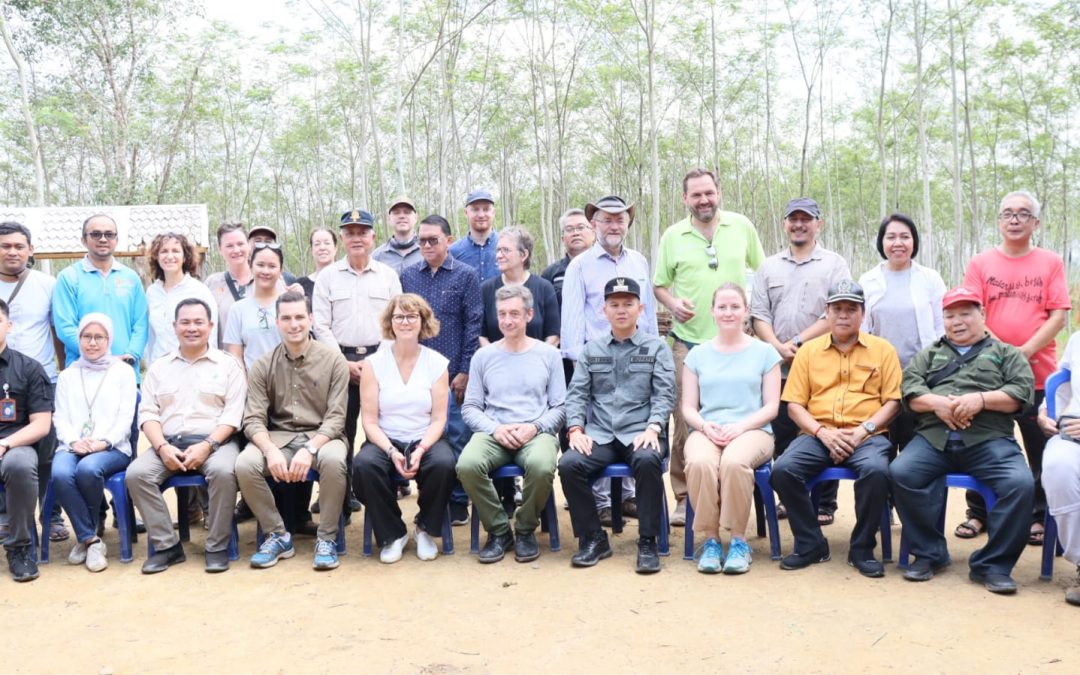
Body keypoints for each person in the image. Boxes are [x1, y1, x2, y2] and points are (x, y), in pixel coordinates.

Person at [891, 287, 1035, 594]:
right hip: (934, 439)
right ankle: (929, 553)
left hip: (989, 440)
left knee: (1020, 484)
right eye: (950, 315)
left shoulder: (1006, 353)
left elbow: (1020, 394)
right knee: (901, 473)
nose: (957, 321)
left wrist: (980, 400)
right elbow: (909, 391)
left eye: (965, 313)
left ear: (982, 315)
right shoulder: (929, 354)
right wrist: (937, 404)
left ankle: (993, 565)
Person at [654, 168, 766, 526]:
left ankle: (748, 493)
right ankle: (684, 497)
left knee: (744, 415)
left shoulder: (741, 227)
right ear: (685, 199)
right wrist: (672, 304)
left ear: (719, 192)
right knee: (684, 422)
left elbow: (763, 274)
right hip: (688, 344)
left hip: (737, 344)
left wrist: (755, 321)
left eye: (709, 193)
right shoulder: (673, 235)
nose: (704, 200)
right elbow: (659, 285)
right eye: (696, 195)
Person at [957, 190, 1070, 546]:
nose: (1015, 219)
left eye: (1023, 214)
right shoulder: (980, 262)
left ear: (1036, 222)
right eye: (1008, 213)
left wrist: (1025, 351)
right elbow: (972, 312)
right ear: (999, 221)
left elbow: (1058, 315)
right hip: (987, 372)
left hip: (1038, 373)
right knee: (981, 442)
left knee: (1040, 446)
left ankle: (1038, 515)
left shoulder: (1050, 262)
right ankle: (979, 512)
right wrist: (1005, 353)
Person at [770, 280, 901, 577]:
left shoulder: (883, 350)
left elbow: (893, 402)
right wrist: (822, 433)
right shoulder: (808, 352)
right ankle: (811, 543)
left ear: (863, 314)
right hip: (818, 433)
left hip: (867, 435)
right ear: (826, 313)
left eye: (851, 309)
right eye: (837, 308)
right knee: (784, 470)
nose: (843, 315)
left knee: (877, 472)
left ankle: (862, 548)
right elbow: (794, 405)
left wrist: (862, 430)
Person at [559, 278, 675, 573]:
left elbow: (664, 394)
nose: (621, 310)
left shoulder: (656, 348)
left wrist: (654, 427)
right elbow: (577, 394)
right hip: (601, 434)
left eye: (628, 304)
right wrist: (576, 429)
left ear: (641, 308)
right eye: (614, 304)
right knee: (570, 464)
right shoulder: (591, 350)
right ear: (604, 310)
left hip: (642, 431)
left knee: (647, 460)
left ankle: (647, 541)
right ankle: (594, 537)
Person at [127, 298, 247, 574]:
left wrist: (207, 445)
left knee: (223, 472)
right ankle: (167, 547)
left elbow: (233, 415)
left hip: (217, 443)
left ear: (210, 326)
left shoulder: (228, 365)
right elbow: (148, 414)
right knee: (137, 474)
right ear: (174, 326)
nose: (192, 328)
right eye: (185, 322)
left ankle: (216, 546)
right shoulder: (160, 367)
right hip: (170, 443)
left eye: (198, 322)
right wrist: (162, 447)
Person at [750, 197, 850, 525]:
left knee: (824, 427)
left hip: (823, 363)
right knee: (782, 431)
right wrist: (776, 346)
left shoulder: (834, 264)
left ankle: (824, 503)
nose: (799, 225)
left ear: (819, 224)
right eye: (793, 219)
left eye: (806, 219)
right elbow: (759, 313)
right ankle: (788, 498)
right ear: (784, 224)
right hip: (777, 366)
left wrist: (798, 342)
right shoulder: (768, 267)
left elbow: (835, 312)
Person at [235, 291, 350, 571]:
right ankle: (278, 535)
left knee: (334, 461)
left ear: (311, 319)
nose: (294, 324)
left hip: (323, 437)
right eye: (286, 318)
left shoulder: (334, 361)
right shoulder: (263, 364)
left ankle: (327, 539)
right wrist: (269, 449)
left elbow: (336, 418)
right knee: (245, 464)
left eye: (300, 317)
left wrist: (310, 448)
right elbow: (253, 419)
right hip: (279, 437)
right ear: (277, 322)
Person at [560, 195, 658, 522]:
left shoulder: (639, 261)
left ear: (628, 223)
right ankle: (600, 502)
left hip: (637, 360)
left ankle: (628, 497)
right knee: (598, 430)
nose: (614, 226)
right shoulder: (580, 266)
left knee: (634, 427)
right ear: (594, 224)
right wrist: (579, 366)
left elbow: (648, 313)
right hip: (597, 363)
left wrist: (653, 353)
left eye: (620, 219)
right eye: (607, 219)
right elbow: (573, 319)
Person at [458, 285, 565, 564]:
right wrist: (495, 429)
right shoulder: (483, 357)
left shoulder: (549, 355)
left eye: (514, 314)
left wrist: (535, 427)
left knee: (541, 466)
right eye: (502, 314)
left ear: (529, 315)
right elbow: (470, 407)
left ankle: (526, 529)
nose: (507, 320)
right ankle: (499, 531)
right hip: (494, 431)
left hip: (536, 431)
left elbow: (560, 406)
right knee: (467, 465)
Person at [682, 283, 781, 574]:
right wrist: (704, 426)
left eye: (735, 306)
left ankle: (738, 540)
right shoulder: (697, 355)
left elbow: (771, 407)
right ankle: (711, 540)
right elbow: (688, 408)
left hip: (754, 430)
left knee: (734, 462)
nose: (728, 312)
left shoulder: (765, 353)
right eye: (722, 307)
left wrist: (740, 427)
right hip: (707, 429)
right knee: (699, 462)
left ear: (746, 311)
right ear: (712, 312)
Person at [353, 294, 456, 563]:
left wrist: (421, 449)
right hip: (385, 438)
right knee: (364, 466)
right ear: (390, 322)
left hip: (425, 437)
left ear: (423, 321)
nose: (405, 322)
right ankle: (393, 533)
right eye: (399, 316)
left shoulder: (437, 363)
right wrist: (391, 450)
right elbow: (370, 421)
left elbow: (439, 419)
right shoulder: (374, 364)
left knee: (444, 464)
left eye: (412, 316)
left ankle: (425, 528)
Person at [400, 214, 482, 524]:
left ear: (448, 241)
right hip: (419, 374)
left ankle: (458, 501)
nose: (426, 245)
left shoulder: (466, 275)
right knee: (426, 439)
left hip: (454, 372)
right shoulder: (409, 277)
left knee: (458, 436)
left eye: (433, 240)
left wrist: (465, 370)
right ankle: (431, 501)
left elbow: (473, 324)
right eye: (421, 240)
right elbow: (404, 324)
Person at [51, 314, 136, 573]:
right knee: (60, 472)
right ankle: (91, 539)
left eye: (99, 337)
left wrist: (104, 441)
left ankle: (85, 536)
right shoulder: (68, 375)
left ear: (109, 340)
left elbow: (126, 417)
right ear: (78, 340)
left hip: (113, 447)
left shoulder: (122, 372)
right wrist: (74, 441)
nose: (92, 343)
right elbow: (60, 417)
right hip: (73, 445)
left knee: (88, 469)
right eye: (86, 337)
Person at [313, 209, 402, 453]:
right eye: (350, 233)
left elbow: (397, 322)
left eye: (362, 233)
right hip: (339, 362)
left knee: (384, 428)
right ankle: (343, 478)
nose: (356, 239)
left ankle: (381, 476)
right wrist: (343, 363)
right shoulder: (327, 277)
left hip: (382, 361)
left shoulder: (388, 276)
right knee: (341, 430)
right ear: (342, 239)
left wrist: (374, 362)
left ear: (373, 237)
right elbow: (320, 325)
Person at [858, 213, 946, 458]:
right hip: (878, 378)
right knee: (881, 447)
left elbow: (942, 327)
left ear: (914, 241)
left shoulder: (930, 278)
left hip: (921, 377)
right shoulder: (868, 280)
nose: (898, 243)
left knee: (914, 450)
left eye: (905, 237)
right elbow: (862, 330)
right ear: (881, 242)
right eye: (891, 237)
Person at [0, 221, 65, 543]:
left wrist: (65, 374)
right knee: (9, 453)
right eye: (5, 246)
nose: (12, 251)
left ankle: (51, 515)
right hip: (2, 381)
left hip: (42, 381)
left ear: (30, 250)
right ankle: (6, 517)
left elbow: (57, 332)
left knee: (47, 454)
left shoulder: (47, 285)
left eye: (19, 246)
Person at [53, 213, 149, 378]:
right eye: (96, 234)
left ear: (116, 240)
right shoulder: (69, 278)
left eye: (109, 234)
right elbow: (65, 327)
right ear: (83, 240)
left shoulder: (131, 278)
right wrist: (103, 358)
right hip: (83, 373)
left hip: (125, 370)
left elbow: (141, 323)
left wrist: (131, 354)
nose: (103, 239)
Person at [0, 298, 54, 581]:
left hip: (16, 443)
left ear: (9, 326)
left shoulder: (29, 368)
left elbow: (42, 424)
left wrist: (5, 444)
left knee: (19, 465)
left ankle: (19, 548)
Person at [1039, 331, 1080, 605]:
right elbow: (1061, 386)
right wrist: (1045, 413)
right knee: (1058, 467)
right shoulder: (1078, 340)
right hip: (1074, 433)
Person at [479, 226, 560, 347]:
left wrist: (536, 356)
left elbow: (554, 335)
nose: (499, 255)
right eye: (498, 250)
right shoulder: (485, 289)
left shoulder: (544, 288)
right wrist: (495, 356)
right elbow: (480, 335)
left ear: (523, 254)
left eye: (505, 250)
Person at [144, 232, 218, 364]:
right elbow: (151, 337)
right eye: (164, 251)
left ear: (184, 257)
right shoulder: (152, 292)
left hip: (192, 365)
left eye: (175, 251)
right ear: (156, 257)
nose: (170, 256)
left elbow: (211, 334)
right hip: (160, 366)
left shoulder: (199, 291)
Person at [224, 243, 286, 369]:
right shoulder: (238, 310)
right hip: (252, 379)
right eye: (260, 265)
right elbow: (235, 356)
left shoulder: (290, 306)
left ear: (280, 270)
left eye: (272, 266)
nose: (265, 271)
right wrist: (245, 381)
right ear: (251, 266)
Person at [206, 222, 255, 347]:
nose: (236, 250)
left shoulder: (265, 279)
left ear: (249, 245)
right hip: (225, 356)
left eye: (240, 244)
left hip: (262, 357)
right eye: (229, 246)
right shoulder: (212, 284)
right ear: (219, 249)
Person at [540, 208, 595, 307]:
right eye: (569, 229)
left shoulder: (606, 267)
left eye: (581, 227)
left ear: (593, 233)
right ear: (562, 239)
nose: (576, 233)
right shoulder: (550, 274)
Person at [449, 189, 500, 282]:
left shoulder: (507, 247)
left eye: (486, 209)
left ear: (493, 212)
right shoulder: (453, 252)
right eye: (475, 209)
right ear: (466, 213)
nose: (481, 215)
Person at [372, 196, 422, 274]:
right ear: (388, 218)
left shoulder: (427, 252)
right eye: (396, 213)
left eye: (407, 212)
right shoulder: (377, 256)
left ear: (416, 217)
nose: (402, 216)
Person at [297, 228, 339, 300]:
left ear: (335, 248)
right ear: (311, 250)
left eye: (327, 243)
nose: (322, 248)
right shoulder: (301, 284)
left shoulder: (347, 279)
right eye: (317, 244)